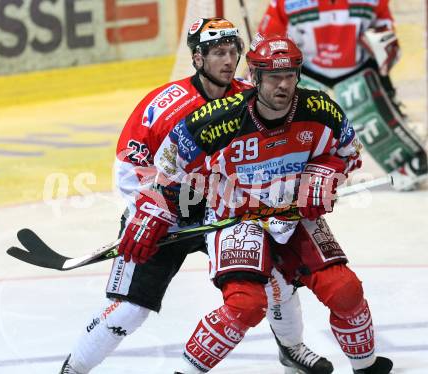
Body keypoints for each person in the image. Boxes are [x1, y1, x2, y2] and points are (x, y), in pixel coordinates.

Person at [60, 18, 332, 374]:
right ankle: (73, 368)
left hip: (222, 211)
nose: (228, 60)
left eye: (233, 51)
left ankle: (291, 348)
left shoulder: (249, 96)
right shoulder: (166, 103)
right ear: (198, 58)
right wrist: (150, 210)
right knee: (129, 309)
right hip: (164, 213)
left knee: (278, 278)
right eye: (218, 52)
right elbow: (130, 159)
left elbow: (282, 142)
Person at [125, 34, 394, 373]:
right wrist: (153, 208)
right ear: (254, 76)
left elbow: (349, 153)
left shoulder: (320, 109)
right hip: (237, 219)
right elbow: (166, 166)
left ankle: (367, 368)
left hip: (293, 215)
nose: (283, 85)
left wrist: (325, 173)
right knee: (245, 305)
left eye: (290, 75)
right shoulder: (215, 121)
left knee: (345, 290)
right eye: (273, 77)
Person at [258, 0, 427, 191]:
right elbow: (267, 38)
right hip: (307, 70)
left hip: (357, 68)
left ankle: (409, 163)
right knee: (297, 121)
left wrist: (384, 44)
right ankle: (292, 176)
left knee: (370, 114)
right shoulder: (284, 2)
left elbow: (385, 31)